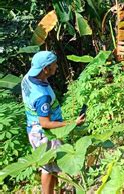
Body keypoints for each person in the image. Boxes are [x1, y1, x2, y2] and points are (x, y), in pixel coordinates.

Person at [21, 51, 86, 194]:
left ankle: (57, 190)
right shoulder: (42, 97)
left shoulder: (28, 78)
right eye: (54, 65)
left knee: (50, 165)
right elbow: (45, 123)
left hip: (33, 128)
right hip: (43, 133)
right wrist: (72, 123)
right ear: (45, 69)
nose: (56, 66)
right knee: (48, 168)